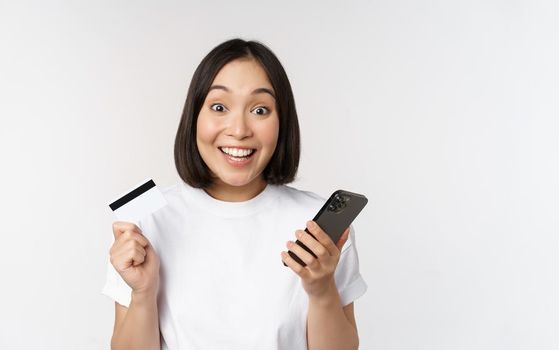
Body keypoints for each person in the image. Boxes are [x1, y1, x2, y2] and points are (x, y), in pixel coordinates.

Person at [102, 38, 367, 350]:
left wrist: (322, 289)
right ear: (194, 117)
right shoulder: (144, 220)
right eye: (219, 107)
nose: (239, 129)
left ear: (282, 123)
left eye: (260, 109)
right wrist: (144, 293)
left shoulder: (317, 228)